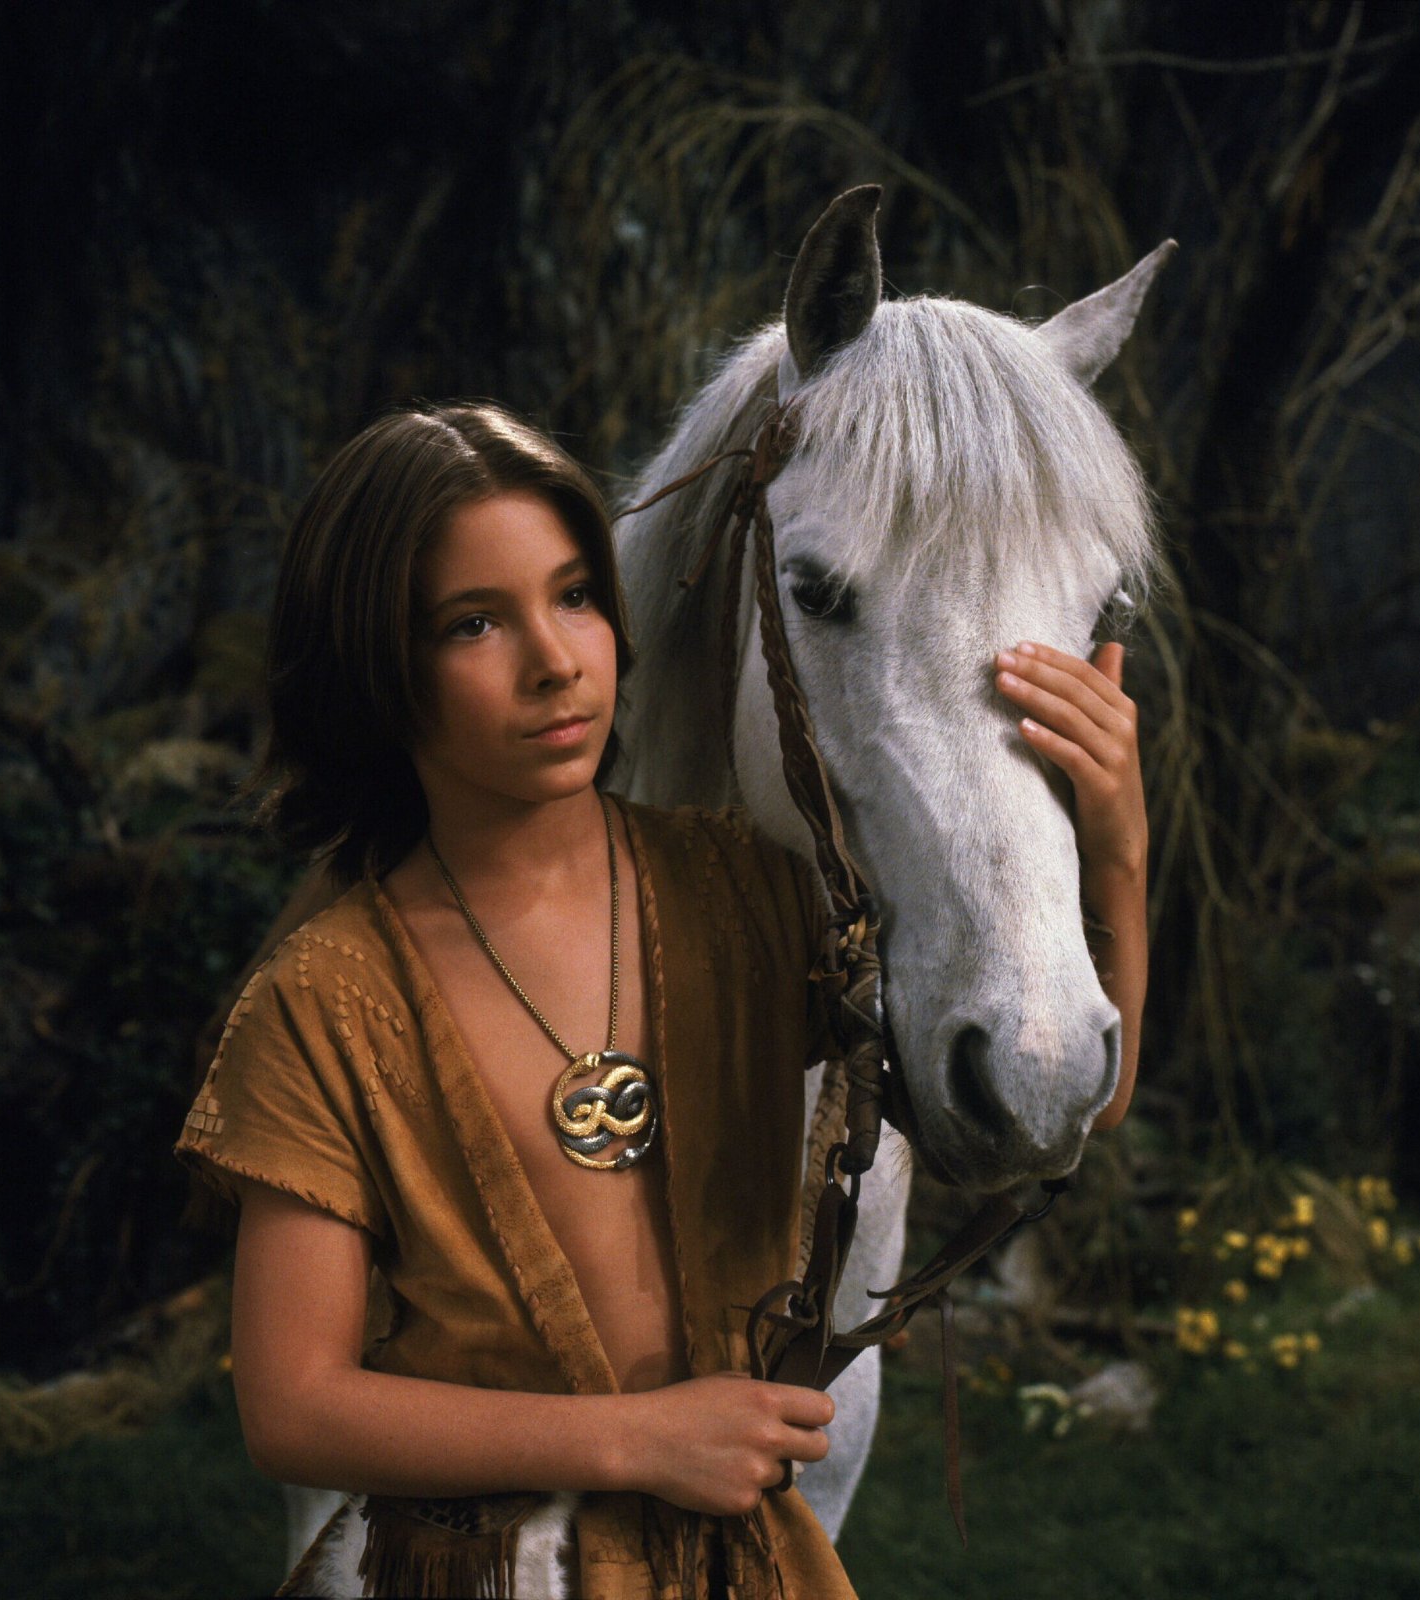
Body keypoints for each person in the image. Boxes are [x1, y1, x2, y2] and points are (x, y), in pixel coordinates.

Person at [174, 401, 1148, 1598]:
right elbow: (292, 1408)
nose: (555, 660)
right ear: (375, 665)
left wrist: (1118, 850)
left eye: (577, 594)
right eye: (473, 622)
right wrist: (635, 1440)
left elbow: (1066, 1110)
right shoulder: (322, 1001)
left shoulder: (748, 901)